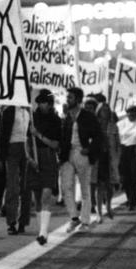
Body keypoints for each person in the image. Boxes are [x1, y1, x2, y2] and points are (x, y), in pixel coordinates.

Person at [59, 87, 102, 233]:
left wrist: (89, 149)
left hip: (82, 154)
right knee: (66, 187)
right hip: (67, 155)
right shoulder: (66, 118)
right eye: (67, 97)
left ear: (77, 99)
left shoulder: (88, 116)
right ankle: (74, 218)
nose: (67, 100)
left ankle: (85, 221)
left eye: (70, 97)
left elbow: (99, 136)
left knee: (85, 189)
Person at [29, 90, 61, 245]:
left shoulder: (55, 120)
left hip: (48, 156)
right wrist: (29, 158)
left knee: (46, 194)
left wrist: (38, 135)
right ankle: (40, 230)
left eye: (45, 102)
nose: (42, 105)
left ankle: (43, 233)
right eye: (40, 102)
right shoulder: (32, 118)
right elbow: (26, 141)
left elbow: (56, 144)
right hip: (34, 158)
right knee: (37, 197)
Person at [0, 103, 32, 235]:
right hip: (12, 147)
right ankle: (11, 221)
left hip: (25, 148)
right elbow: (3, 135)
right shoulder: (9, 111)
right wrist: (1, 158)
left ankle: (23, 221)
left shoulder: (28, 112)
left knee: (26, 186)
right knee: (12, 186)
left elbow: (30, 132)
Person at [117, 106, 136, 210]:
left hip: (135, 150)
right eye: (129, 112)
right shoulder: (120, 124)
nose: (131, 114)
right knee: (125, 177)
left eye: (134, 112)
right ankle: (129, 197)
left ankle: (133, 201)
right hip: (123, 150)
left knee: (135, 176)